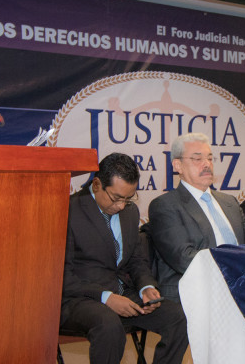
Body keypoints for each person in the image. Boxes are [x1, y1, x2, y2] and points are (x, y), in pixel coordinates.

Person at [61, 153, 188, 364]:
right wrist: (106, 297)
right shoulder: (69, 211)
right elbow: (62, 276)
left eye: (128, 198)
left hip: (124, 294)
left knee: (177, 316)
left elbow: (137, 260)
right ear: (96, 185)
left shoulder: (130, 212)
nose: (121, 206)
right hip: (81, 299)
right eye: (116, 198)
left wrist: (145, 287)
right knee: (108, 324)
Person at [145, 133, 245, 302]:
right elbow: (184, 258)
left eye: (210, 159)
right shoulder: (165, 206)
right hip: (196, 290)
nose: (207, 164)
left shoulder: (230, 202)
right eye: (197, 159)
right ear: (178, 165)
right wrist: (234, 269)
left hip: (241, 286)